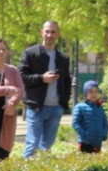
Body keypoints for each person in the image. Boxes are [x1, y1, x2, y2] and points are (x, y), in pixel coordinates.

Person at [18, 20, 71, 158]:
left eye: (53, 32)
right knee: (32, 144)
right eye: (47, 31)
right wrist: (42, 78)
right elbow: (21, 76)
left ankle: (42, 170)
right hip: (36, 107)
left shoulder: (63, 58)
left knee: (47, 146)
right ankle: (26, 170)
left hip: (56, 108)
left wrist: (63, 103)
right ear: (42, 33)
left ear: (58, 34)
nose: (49, 35)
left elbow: (67, 81)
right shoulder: (30, 53)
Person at [71, 79, 108, 153]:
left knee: (96, 159)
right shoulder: (80, 107)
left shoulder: (100, 108)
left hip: (97, 142)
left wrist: (104, 135)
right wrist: (84, 134)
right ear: (86, 93)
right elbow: (75, 123)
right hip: (84, 143)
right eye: (91, 92)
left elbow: (105, 124)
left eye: (96, 91)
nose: (94, 94)